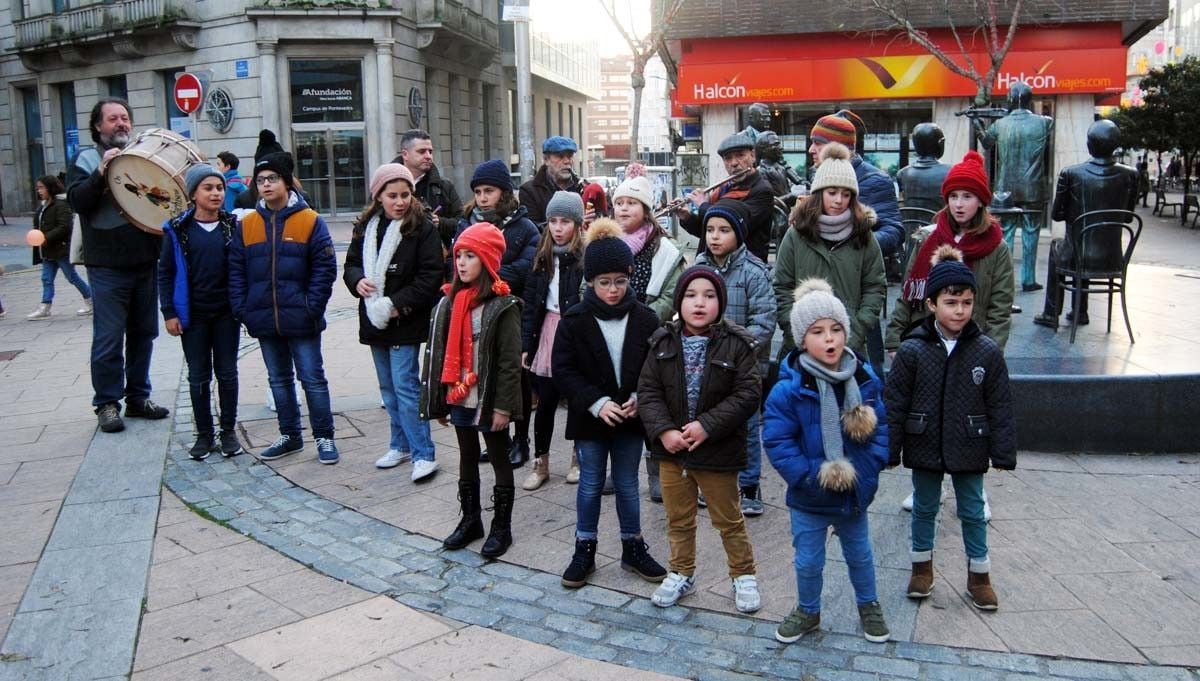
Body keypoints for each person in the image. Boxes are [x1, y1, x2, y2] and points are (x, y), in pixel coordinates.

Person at [884, 249, 1016, 611]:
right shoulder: (913, 350)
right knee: (925, 507)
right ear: (931, 303)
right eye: (951, 302)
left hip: (969, 443)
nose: (960, 310)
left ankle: (979, 575)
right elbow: (894, 402)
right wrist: (889, 449)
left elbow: (1000, 405)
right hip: (924, 439)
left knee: (972, 510)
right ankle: (921, 568)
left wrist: (1002, 452)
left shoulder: (986, 352)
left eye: (967, 302)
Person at [764, 279, 890, 644]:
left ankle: (869, 605)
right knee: (808, 560)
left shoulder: (863, 378)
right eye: (818, 332)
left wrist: (871, 466)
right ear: (803, 340)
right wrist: (805, 476)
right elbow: (777, 439)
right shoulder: (789, 388)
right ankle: (807, 610)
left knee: (861, 555)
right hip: (810, 495)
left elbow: (880, 427)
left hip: (854, 493)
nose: (830, 339)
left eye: (836, 329)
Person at [637, 266, 763, 611]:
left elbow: (748, 394)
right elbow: (648, 391)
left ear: (720, 303)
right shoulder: (662, 341)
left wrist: (707, 425)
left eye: (709, 296)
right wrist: (664, 430)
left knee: (729, 519)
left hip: (717, 450)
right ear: (679, 301)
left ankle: (743, 574)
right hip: (672, 453)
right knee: (678, 519)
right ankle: (681, 570)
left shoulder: (737, 344)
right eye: (691, 295)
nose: (699, 303)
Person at [553, 219, 667, 588]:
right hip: (592, 418)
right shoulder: (575, 320)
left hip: (630, 420)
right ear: (590, 282)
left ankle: (632, 544)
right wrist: (597, 402)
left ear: (630, 277)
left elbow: (655, 370)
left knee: (627, 483)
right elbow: (564, 370)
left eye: (620, 281)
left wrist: (638, 398)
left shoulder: (646, 318)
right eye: (604, 282)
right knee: (589, 483)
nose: (613, 290)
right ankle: (584, 545)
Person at [420, 222, 523, 559]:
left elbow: (509, 362)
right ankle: (471, 519)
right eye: (459, 255)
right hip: (460, 392)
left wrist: (504, 407)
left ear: (488, 261)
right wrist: (440, 400)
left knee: (496, 455)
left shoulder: (502, 305)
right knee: (465, 454)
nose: (461, 263)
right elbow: (436, 354)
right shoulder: (449, 302)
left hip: (489, 394)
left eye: (470, 256)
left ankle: (502, 526)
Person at [229, 152, 339, 464]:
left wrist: (312, 307)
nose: (266, 185)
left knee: (312, 379)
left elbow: (324, 268)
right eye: (261, 180)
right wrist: (244, 309)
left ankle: (324, 436)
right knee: (278, 379)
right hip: (264, 318)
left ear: (286, 182)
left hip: (301, 317)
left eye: (272, 179)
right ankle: (290, 435)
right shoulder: (247, 224)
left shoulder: (310, 221)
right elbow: (236, 270)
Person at [67, 97, 169, 433]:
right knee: (109, 337)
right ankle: (107, 403)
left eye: (125, 117)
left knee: (144, 334)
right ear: (98, 126)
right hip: (107, 265)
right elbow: (77, 201)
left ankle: (138, 398)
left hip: (144, 260)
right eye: (113, 119)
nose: (121, 123)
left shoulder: (141, 155)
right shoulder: (84, 159)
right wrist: (100, 173)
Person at [344, 163, 443, 482]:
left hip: (404, 319)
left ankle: (423, 453)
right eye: (393, 196)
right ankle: (399, 445)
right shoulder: (367, 226)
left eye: (405, 195)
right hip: (374, 318)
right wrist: (357, 280)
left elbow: (430, 276)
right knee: (388, 389)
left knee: (406, 386)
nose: (400, 201)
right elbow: (351, 264)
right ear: (379, 197)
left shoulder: (422, 227)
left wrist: (399, 305)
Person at [453, 159, 540, 467]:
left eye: (489, 190)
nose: (482, 197)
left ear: (503, 192)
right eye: (478, 191)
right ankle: (490, 433)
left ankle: (521, 439)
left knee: (515, 377)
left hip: (511, 311)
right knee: (479, 373)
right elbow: (457, 266)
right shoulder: (467, 223)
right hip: (473, 312)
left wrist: (489, 274)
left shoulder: (523, 226)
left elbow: (527, 269)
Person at [693, 199, 775, 516]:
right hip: (706, 364)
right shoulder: (699, 267)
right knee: (709, 423)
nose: (715, 236)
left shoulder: (754, 272)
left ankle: (749, 485)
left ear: (738, 234)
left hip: (744, 366)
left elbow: (764, 322)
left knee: (747, 427)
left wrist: (734, 351)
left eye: (724, 230)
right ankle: (712, 481)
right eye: (710, 229)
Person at [158, 164, 244, 460]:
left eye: (219, 188)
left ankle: (228, 431)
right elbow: (165, 272)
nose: (216, 193)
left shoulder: (233, 226)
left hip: (226, 314)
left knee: (228, 373)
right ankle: (204, 434)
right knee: (198, 376)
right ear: (193, 193)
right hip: (193, 316)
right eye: (208, 188)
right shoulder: (177, 230)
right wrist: (169, 311)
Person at [888, 151, 1014, 352]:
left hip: (972, 342)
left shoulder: (997, 248)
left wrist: (990, 352)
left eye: (967, 196)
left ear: (981, 201)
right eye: (953, 196)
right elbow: (906, 294)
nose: (959, 204)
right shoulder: (928, 239)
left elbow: (1000, 309)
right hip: (925, 339)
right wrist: (894, 342)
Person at [774, 143, 886, 363]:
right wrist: (795, 330)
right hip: (800, 345)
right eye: (832, 192)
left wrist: (857, 329)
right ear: (819, 193)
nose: (838, 200)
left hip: (850, 344)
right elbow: (782, 286)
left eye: (846, 194)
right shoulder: (796, 234)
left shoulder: (863, 235)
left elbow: (875, 286)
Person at [1032, 119, 1138, 331]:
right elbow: (1127, 218)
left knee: (1060, 247)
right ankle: (1080, 312)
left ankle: (1052, 313)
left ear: (1089, 145)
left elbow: (1057, 215)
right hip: (1113, 258)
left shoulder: (1071, 173)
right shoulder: (1131, 175)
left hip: (1078, 254)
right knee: (1078, 243)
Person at [521, 191, 586, 490]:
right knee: (545, 401)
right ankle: (540, 461)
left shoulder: (583, 258)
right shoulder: (542, 256)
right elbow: (531, 303)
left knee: (576, 400)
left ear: (577, 223)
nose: (558, 228)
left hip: (572, 333)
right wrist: (526, 345)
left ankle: (577, 458)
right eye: (553, 221)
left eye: (565, 221)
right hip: (546, 330)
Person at [807, 112, 904, 260]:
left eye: (818, 143)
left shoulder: (875, 180)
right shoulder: (821, 176)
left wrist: (851, 248)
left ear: (837, 149)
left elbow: (894, 232)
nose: (811, 150)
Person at [676, 132, 776, 262]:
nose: (734, 163)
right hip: (712, 265)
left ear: (752, 156)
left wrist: (702, 205)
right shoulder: (722, 188)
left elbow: (734, 225)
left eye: (740, 155)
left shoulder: (762, 190)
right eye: (728, 158)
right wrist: (687, 217)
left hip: (744, 269)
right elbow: (708, 232)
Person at [612, 175, 686, 322]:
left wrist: (641, 320)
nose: (624, 208)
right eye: (619, 203)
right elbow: (587, 286)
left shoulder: (665, 249)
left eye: (631, 203)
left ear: (646, 211)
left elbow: (670, 296)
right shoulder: (605, 244)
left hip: (649, 331)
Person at [29, 174, 92, 320]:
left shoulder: (61, 205)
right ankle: (45, 306)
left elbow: (64, 226)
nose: (39, 191)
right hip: (47, 250)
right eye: (37, 188)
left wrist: (46, 237)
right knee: (46, 278)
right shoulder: (44, 206)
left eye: (41, 187)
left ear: (50, 188)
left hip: (61, 249)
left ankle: (91, 300)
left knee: (72, 277)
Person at [392, 129, 463, 254]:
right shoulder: (386, 186)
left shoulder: (443, 187)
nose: (428, 156)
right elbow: (369, 224)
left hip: (435, 262)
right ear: (405, 154)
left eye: (430, 151)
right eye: (421, 152)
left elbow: (462, 222)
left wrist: (440, 223)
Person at [519, 136, 586, 225]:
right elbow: (533, 230)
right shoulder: (529, 191)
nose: (567, 161)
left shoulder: (582, 188)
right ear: (546, 160)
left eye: (569, 156)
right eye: (560, 156)